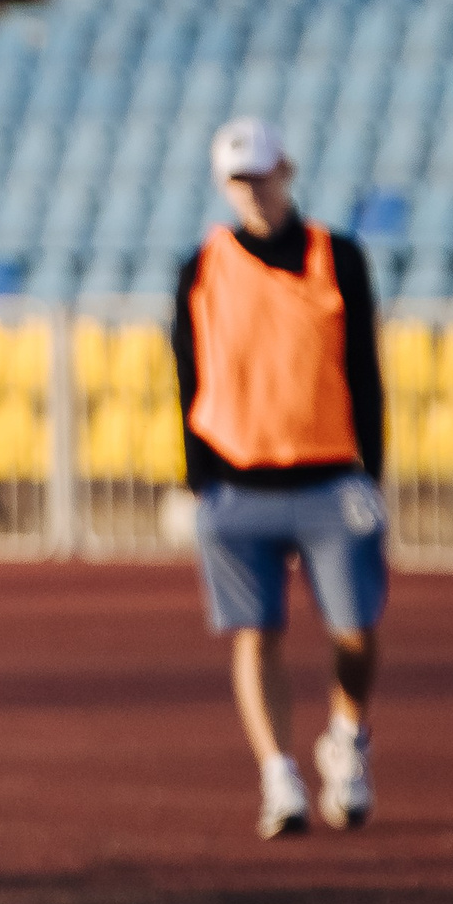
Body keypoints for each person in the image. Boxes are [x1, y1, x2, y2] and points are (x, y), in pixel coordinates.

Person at [173, 117, 388, 840]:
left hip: (329, 477)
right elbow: (188, 372)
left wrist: (372, 473)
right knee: (254, 633)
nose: (254, 191)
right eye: (240, 180)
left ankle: (346, 739)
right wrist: (198, 479)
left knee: (355, 629)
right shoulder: (201, 266)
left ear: (286, 171)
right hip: (238, 483)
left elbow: (364, 370)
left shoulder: (339, 256)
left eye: (262, 175)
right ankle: (278, 775)